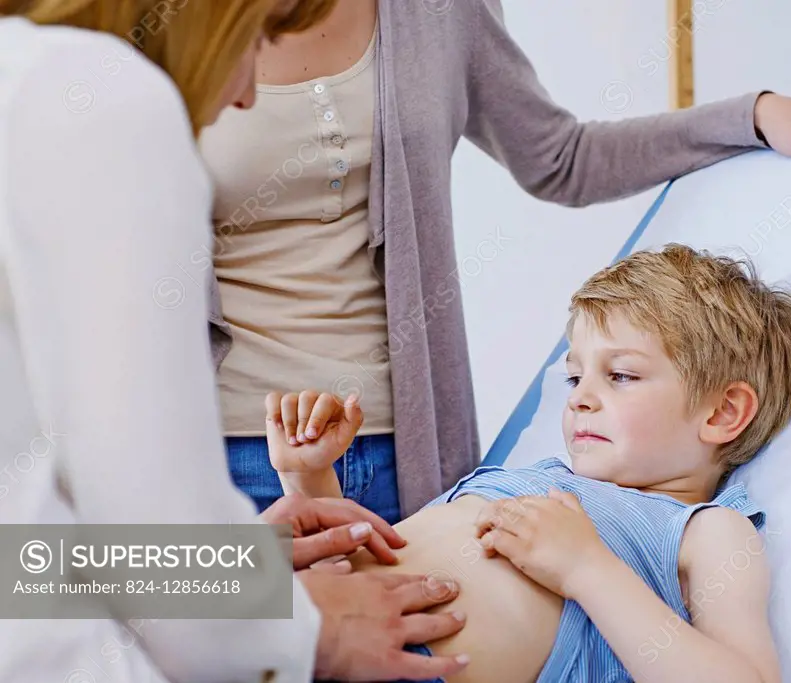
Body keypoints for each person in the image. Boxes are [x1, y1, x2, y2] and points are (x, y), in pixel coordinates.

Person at [198, 0, 791, 522]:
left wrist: (752, 117)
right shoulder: (146, 26)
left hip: (403, 447)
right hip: (214, 452)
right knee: (231, 652)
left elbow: (561, 157)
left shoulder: (436, 14)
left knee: (417, 654)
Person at [0, 1, 468, 681]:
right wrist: (308, 626)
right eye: (258, 36)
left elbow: (37, 553)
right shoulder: (109, 103)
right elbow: (152, 554)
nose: (250, 90)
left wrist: (232, 561)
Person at [266, 243, 791, 682]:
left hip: (371, 657)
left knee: (190, 588)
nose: (579, 397)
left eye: (620, 375)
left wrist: (586, 569)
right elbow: (370, 562)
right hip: (276, 608)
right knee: (195, 579)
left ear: (724, 413)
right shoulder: (531, 479)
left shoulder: (705, 530)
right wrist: (309, 481)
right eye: (575, 375)